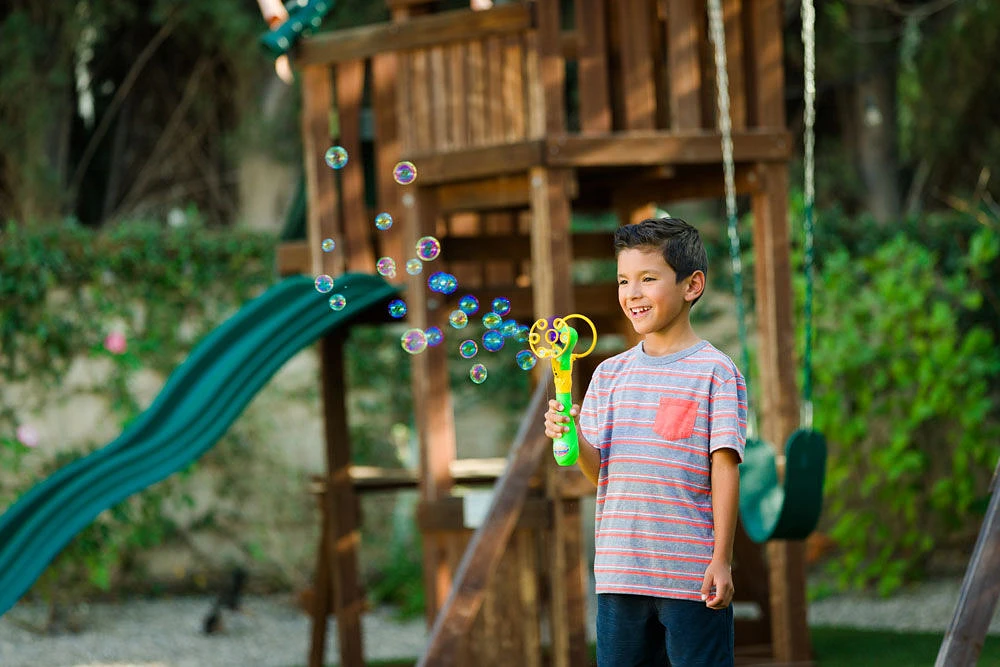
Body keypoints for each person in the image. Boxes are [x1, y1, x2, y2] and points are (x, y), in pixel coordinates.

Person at [543, 217, 747, 666]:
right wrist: (573, 436)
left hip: (692, 575)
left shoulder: (715, 372)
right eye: (623, 280)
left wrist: (722, 559)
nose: (632, 293)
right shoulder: (609, 375)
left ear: (692, 285)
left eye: (647, 279)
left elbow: (725, 468)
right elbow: (601, 473)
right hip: (620, 574)